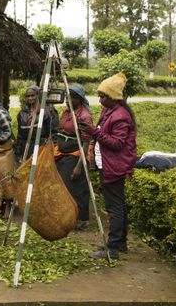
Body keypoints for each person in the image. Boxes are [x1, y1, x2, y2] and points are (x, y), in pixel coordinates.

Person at [88, 73, 137, 260]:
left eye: (102, 96)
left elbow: (116, 143)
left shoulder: (120, 116)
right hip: (107, 164)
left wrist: (93, 132)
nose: (100, 100)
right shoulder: (109, 111)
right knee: (119, 205)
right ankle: (121, 242)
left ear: (112, 97)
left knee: (114, 207)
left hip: (115, 166)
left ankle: (113, 247)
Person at [55, 83, 95, 230]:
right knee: (65, 187)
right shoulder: (66, 112)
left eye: (71, 97)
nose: (67, 100)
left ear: (79, 99)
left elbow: (86, 143)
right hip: (63, 154)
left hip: (76, 156)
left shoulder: (84, 116)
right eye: (66, 97)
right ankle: (68, 217)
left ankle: (81, 220)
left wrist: (79, 166)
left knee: (77, 188)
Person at [14, 85, 59, 161]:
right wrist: (18, 151)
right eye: (28, 96)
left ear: (38, 95)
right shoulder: (22, 113)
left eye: (32, 95)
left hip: (41, 146)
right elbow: (20, 134)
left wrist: (52, 149)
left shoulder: (48, 111)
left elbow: (54, 132)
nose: (30, 98)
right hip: (26, 147)